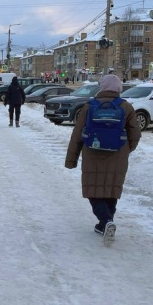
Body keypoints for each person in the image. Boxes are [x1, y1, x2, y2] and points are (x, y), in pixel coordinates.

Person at [64, 74, 141, 244]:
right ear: (119, 89)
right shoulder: (126, 107)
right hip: (118, 154)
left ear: (102, 87)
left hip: (92, 153)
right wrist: (127, 149)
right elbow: (135, 134)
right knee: (111, 188)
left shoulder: (89, 106)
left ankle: (105, 221)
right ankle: (105, 223)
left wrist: (72, 159)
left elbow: (77, 134)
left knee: (94, 188)